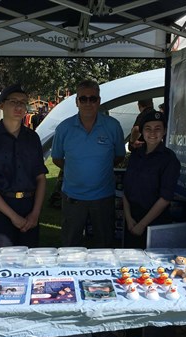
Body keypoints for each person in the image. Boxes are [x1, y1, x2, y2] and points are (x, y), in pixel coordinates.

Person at [51, 79, 125, 248]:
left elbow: (119, 156)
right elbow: (56, 158)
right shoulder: (64, 128)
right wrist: (74, 170)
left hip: (103, 197)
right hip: (72, 197)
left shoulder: (113, 126)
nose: (88, 103)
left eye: (92, 98)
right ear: (77, 102)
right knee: (70, 245)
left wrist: (99, 168)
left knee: (105, 245)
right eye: (83, 99)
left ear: (99, 101)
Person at [0, 84, 48, 248]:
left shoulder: (32, 138)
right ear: (1, 105)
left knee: (30, 263)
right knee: (2, 265)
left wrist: (35, 214)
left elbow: (41, 178)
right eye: (13, 101)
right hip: (1, 210)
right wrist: (13, 217)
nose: (19, 106)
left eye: (23, 102)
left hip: (29, 209)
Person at [122, 110, 181, 249]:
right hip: (132, 220)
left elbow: (165, 197)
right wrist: (129, 219)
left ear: (165, 131)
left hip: (154, 223)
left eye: (157, 128)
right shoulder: (136, 154)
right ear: (142, 131)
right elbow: (126, 190)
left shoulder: (169, 159)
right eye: (148, 129)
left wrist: (142, 225)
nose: (152, 133)